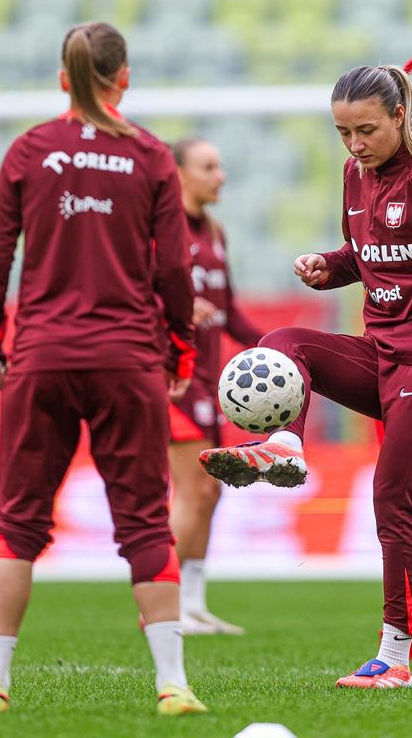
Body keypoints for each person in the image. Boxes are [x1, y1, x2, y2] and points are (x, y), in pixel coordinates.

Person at [199, 65, 412, 689]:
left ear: (399, 115)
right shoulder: (355, 175)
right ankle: (284, 447)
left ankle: (395, 657)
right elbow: (368, 255)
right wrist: (328, 265)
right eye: (343, 133)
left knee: (395, 496)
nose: (355, 144)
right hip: (385, 352)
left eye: (366, 130)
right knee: (281, 342)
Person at [0, 22, 206, 716]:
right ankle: (172, 684)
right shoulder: (153, 156)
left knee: (18, 520)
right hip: (127, 358)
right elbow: (173, 267)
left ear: (63, 78)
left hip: (41, 356)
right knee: (144, 520)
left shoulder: (29, 150)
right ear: (123, 76)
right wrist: (181, 346)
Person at [166, 137, 262, 636]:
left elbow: (229, 311)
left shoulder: (216, 233)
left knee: (211, 492)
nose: (219, 175)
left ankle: (193, 604)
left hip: (209, 382)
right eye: (208, 166)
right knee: (192, 490)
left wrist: (275, 347)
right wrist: (176, 308)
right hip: (171, 382)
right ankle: (160, 607)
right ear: (179, 174)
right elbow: (132, 300)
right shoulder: (160, 233)